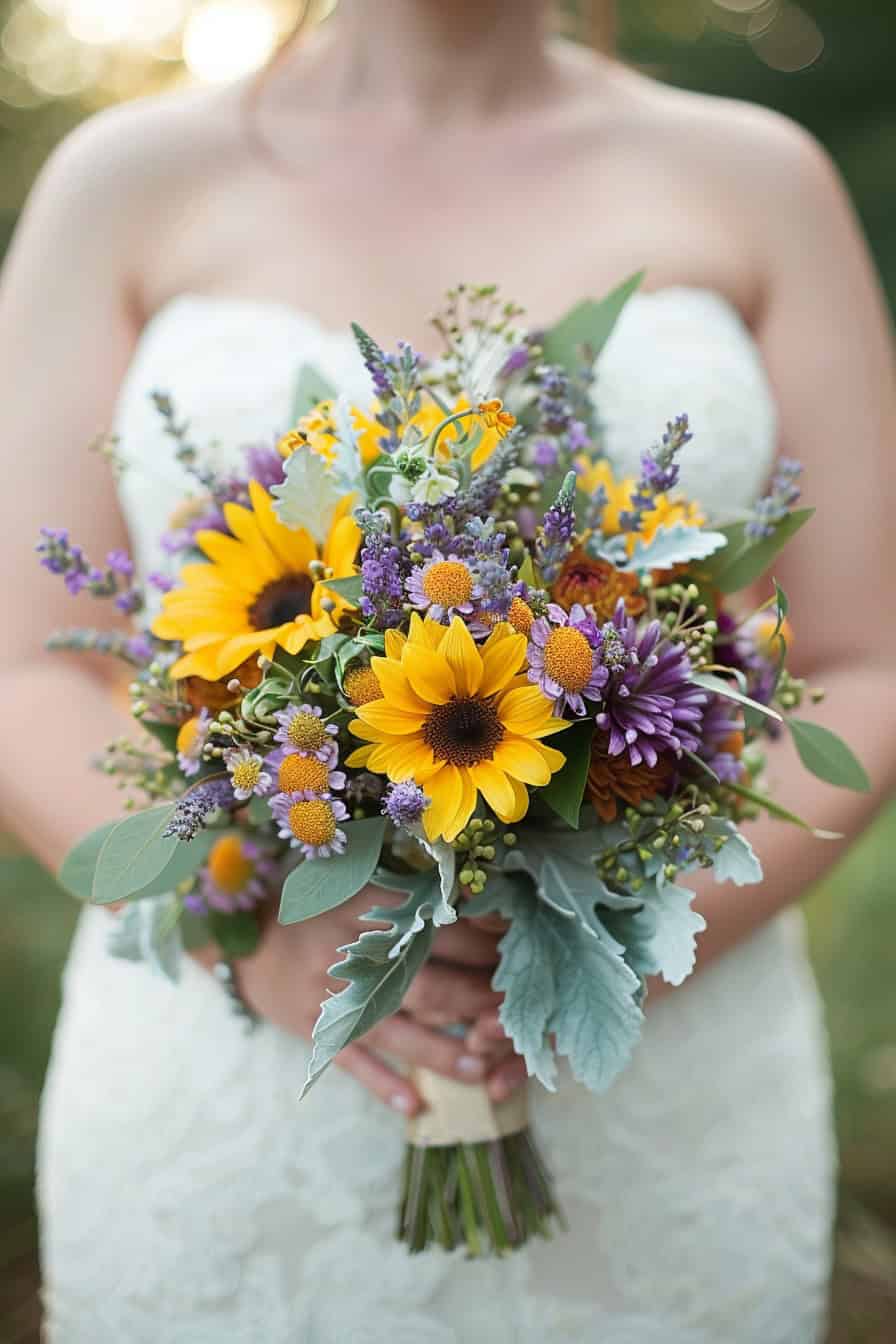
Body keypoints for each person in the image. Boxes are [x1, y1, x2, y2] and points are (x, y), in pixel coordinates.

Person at [1, 1, 893, 1339]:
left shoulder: (757, 176)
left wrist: (595, 945)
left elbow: (863, 658)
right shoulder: (124, 181)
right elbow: (26, 665)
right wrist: (261, 929)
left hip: (666, 1060)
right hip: (233, 1046)